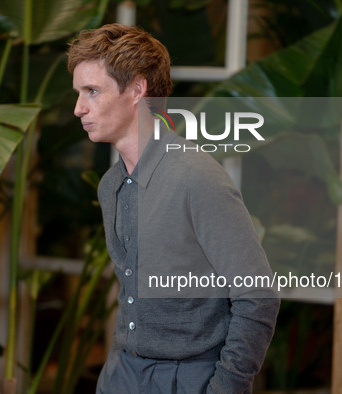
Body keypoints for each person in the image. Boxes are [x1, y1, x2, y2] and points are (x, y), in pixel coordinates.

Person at [67, 23, 279, 394]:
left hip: (190, 378)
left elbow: (258, 296)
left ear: (136, 89)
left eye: (92, 91)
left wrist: (225, 387)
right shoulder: (110, 186)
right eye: (79, 92)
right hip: (122, 373)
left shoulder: (197, 178)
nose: (78, 108)